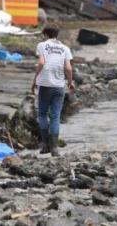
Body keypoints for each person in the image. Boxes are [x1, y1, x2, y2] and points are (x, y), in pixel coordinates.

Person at [32, 24, 74, 157]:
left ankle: (45, 145)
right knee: (55, 117)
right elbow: (68, 68)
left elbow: (42, 63)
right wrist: (70, 81)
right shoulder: (65, 48)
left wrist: (34, 80)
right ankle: (54, 148)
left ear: (45, 35)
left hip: (45, 84)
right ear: (57, 35)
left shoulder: (42, 45)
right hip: (59, 86)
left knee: (43, 114)